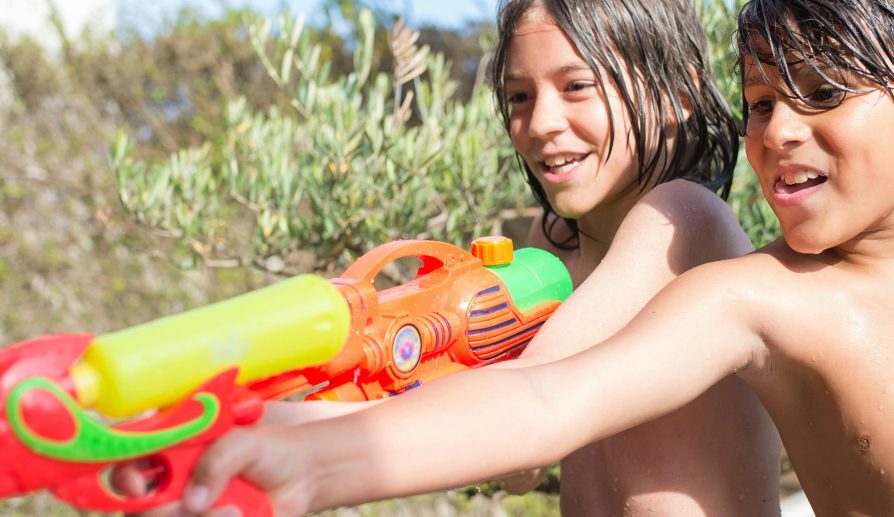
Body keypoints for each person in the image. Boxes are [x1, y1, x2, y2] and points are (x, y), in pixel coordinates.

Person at [125, 0, 796, 515]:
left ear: (677, 92)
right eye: (519, 96)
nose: (540, 123)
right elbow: (516, 462)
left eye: (577, 86)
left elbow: (531, 404)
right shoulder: (556, 245)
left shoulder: (682, 219)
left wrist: (263, 428)